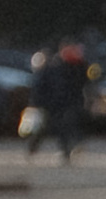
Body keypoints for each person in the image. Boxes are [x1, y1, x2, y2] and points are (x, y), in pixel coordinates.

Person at [28, 39, 86, 167]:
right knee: (46, 128)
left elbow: (78, 84)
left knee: (64, 128)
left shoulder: (71, 67)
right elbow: (41, 87)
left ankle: (66, 152)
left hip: (62, 103)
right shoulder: (54, 68)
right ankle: (34, 148)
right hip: (53, 103)